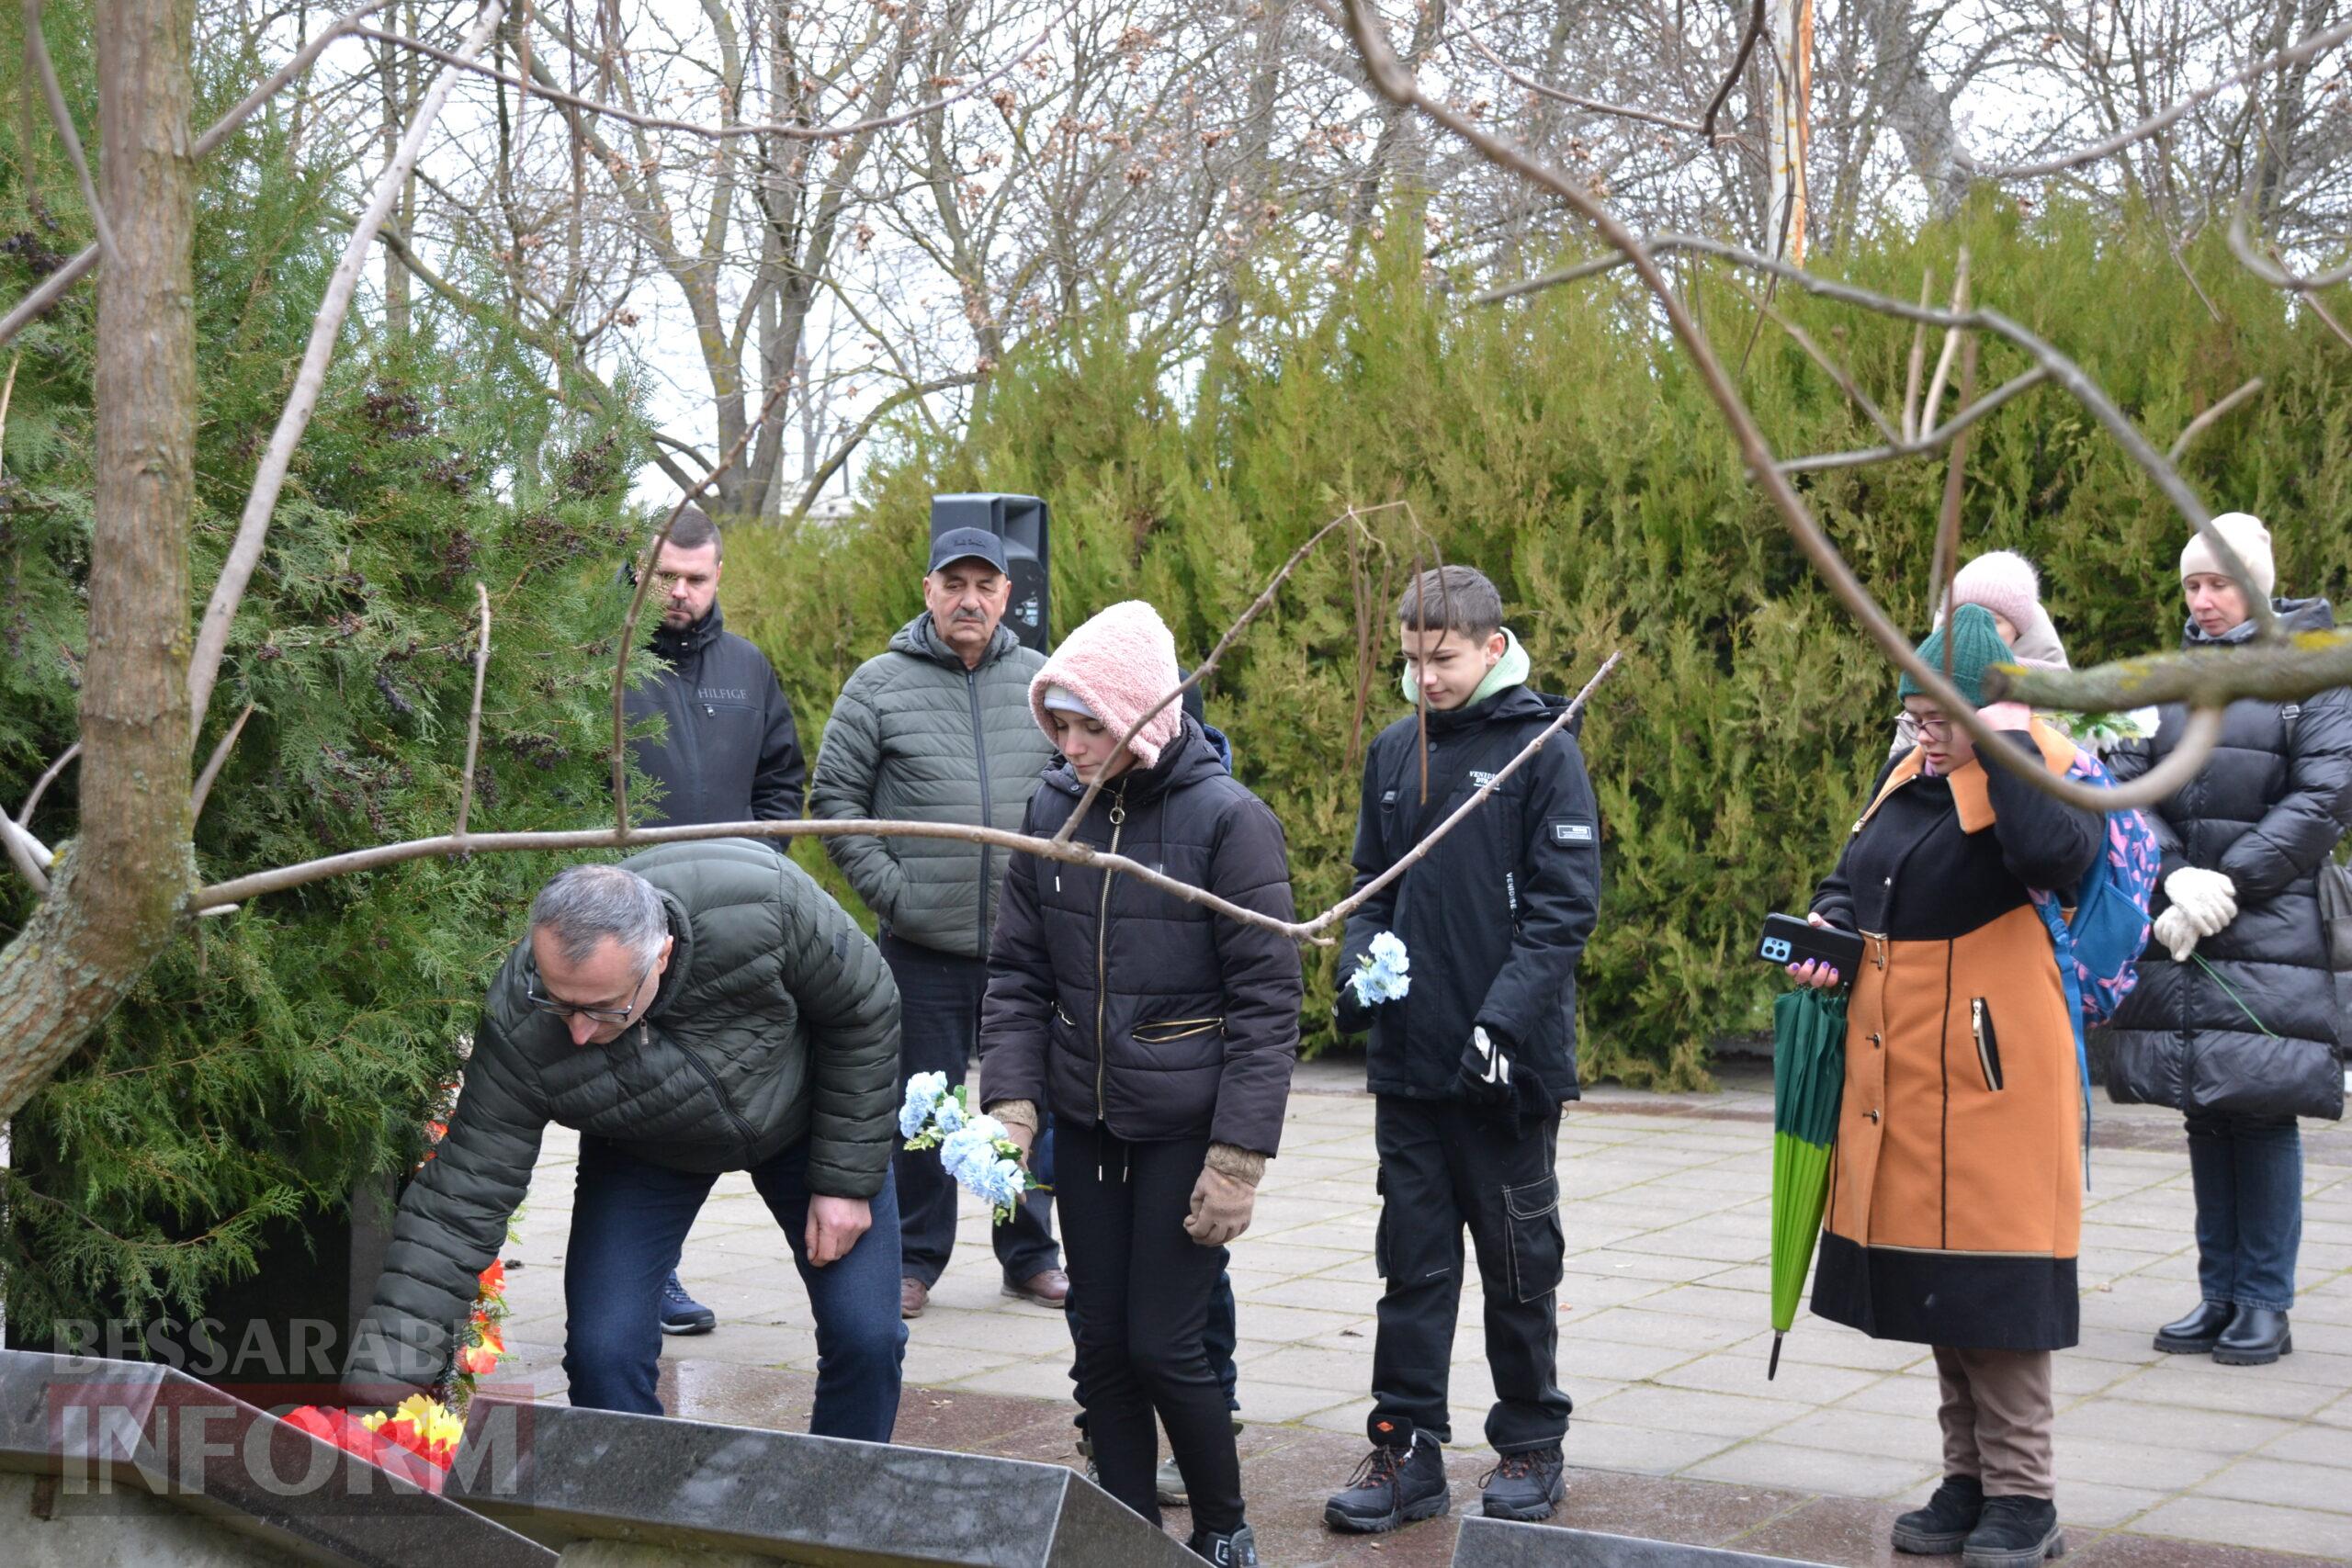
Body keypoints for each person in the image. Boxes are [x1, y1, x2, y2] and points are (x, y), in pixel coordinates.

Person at [345, 848, 906, 1438]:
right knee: (602, 1354)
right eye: (560, 1003)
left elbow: (865, 1009)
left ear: (660, 956)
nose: (580, 1032)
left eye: (603, 1008)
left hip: (811, 1119)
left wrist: (845, 1179)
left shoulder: (763, 901)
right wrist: (377, 1393)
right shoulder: (520, 1021)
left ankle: (839, 1506)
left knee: (866, 1338)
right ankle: (635, 1514)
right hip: (645, 1147)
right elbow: (462, 1196)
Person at [979, 600, 1301, 1568]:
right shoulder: (1052, 811)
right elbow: (1017, 975)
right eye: (1058, 724)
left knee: (1166, 1344)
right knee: (1100, 1346)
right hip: (1087, 1122)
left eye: (1090, 726)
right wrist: (1012, 1101)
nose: (1070, 746)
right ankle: (1123, 1535)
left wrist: (1238, 1161)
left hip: (1183, 1129)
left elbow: (1267, 1004)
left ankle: (1222, 1528)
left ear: (1142, 719)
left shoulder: (1228, 823)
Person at [1793, 604, 2100, 1567]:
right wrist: (1825, 926)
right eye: (1914, 720)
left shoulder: (2031, 770)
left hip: (1991, 1076)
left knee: (1997, 1293)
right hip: (1906, 1071)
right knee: (1940, 1287)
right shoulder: (1905, 776)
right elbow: (1856, 880)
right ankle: (1966, 1478)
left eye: (1937, 721)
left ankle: (2024, 1496)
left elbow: (2061, 858)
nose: (1921, 739)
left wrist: (2000, 740)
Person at [1325, 565, 1600, 1535]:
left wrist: (1501, 1026)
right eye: (1409, 660)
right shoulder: (1396, 750)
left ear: (1491, 646)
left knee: (1519, 1267)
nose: (1424, 678)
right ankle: (1405, 1452)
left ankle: (1529, 1441)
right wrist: (1359, 975)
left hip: (1506, 1076)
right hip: (1408, 1068)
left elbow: (1564, 912)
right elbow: (1371, 883)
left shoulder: (1542, 753)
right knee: (1412, 1266)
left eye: (1440, 659)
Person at [2104, 512, 2352, 1368]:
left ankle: (2265, 1302)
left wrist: (2227, 886)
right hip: (2182, 920)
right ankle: (2218, 1293)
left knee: (2263, 1107)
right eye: (2191, 585)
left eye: (2218, 583)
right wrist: (2172, 873)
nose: (2202, 600)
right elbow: (2124, 781)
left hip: (2268, 920)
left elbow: (2322, 797)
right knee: (2204, 1105)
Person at [812, 526, 1067, 1319]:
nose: (970, 599)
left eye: (985, 585)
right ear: (928, 590)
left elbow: (1079, 788)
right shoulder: (877, 684)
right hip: (921, 946)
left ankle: (1028, 1252)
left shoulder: (1043, 683)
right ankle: (914, 1258)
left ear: (1006, 596)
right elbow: (835, 802)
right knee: (921, 1109)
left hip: (1027, 948)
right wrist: (895, 893)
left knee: (1026, 1103)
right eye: (954, 583)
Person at [622, 504, 808, 1335]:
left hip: (724, 929)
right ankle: (644, 1273)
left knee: (712, 1095)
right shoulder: (607, 665)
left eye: (696, 578)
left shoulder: (747, 670)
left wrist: (761, 877)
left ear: (719, 576)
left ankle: (660, 1266)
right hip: (624, 929)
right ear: (640, 571)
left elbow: (781, 783)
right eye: (666, 575)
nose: (680, 591)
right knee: (634, 1103)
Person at [1891, 550, 2071, 758]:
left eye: (1992, 621)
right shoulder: (1921, 704)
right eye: (1960, 618)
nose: (1975, 630)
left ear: (2019, 631)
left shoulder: (2059, 709)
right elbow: (1898, 782)